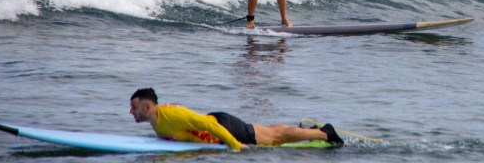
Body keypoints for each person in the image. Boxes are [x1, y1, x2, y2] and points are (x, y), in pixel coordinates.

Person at [129, 88, 343, 151]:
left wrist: (234, 145)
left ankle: (325, 132)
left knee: (274, 139)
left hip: (222, 127)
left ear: (147, 106)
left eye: (134, 107)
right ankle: (304, 129)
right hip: (217, 130)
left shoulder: (172, 114)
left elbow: (208, 125)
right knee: (267, 131)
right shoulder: (155, 121)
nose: (131, 112)